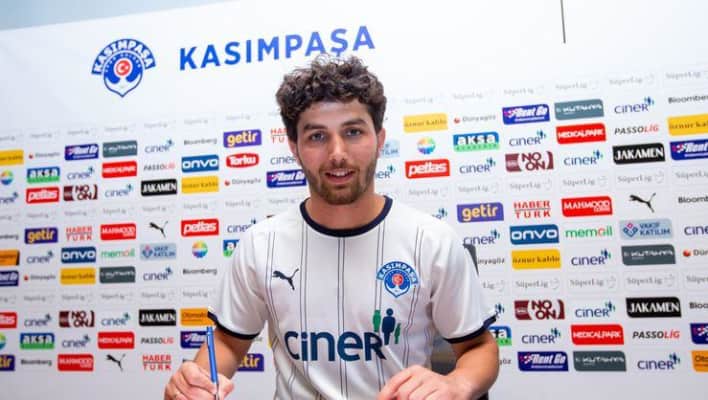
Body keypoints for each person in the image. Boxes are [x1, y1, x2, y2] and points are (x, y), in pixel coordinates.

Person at [164, 55, 499, 400]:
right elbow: (227, 342)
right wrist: (196, 384)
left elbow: (478, 347)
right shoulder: (261, 244)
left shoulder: (431, 240)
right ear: (294, 148)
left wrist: (457, 383)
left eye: (353, 132)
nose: (337, 153)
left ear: (379, 139)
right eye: (317, 136)